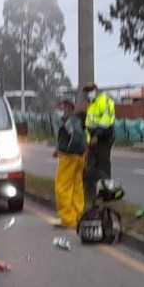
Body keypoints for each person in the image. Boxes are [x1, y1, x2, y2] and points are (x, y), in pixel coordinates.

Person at [52, 99, 86, 229]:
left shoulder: (69, 121)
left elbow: (75, 135)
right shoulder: (76, 121)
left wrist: (67, 149)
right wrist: (59, 148)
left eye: (63, 108)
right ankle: (78, 215)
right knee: (77, 186)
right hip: (79, 156)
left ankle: (68, 219)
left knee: (62, 188)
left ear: (70, 109)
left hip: (69, 158)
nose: (61, 111)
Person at [82, 83, 116, 213]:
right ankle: (91, 196)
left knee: (103, 167)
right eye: (86, 92)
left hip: (103, 139)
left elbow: (105, 123)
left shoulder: (105, 101)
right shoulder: (92, 104)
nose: (87, 94)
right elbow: (89, 123)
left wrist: (96, 136)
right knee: (89, 169)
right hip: (92, 141)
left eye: (89, 91)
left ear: (96, 90)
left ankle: (107, 194)